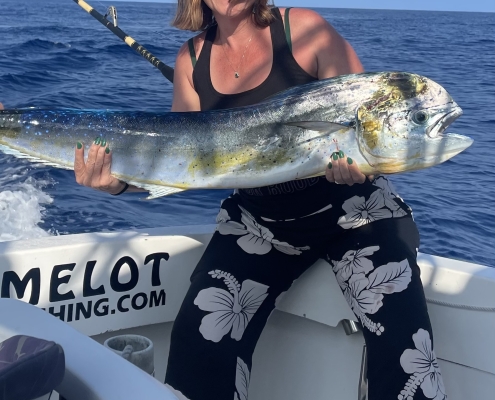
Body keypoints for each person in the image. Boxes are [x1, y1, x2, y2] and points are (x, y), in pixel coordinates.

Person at [74, 1, 446, 400]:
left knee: (405, 349)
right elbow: (176, 164)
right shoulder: (191, 60)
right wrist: (116, 185)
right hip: (261, 225)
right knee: (199, 343)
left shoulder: (306, 30)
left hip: (356, 214)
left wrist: (365, 168)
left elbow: (373, 125)